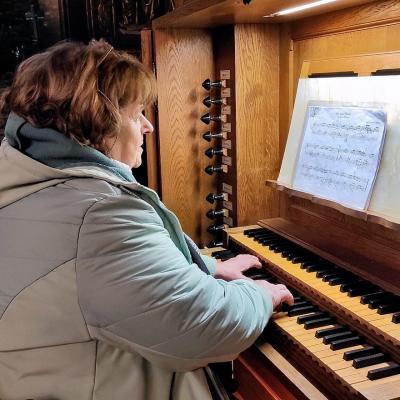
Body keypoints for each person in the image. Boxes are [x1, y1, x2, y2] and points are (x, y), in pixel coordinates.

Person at [0, 40, 293, 400]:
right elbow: (205, 329)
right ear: (100, 119)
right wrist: (258, 293)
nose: (148, 126)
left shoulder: (25, 170)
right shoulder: (98, 215)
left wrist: (204, 267)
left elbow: (86, 273)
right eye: (137, 112)